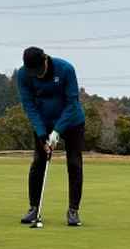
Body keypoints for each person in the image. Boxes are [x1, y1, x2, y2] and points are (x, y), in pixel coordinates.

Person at [16, 47, 86, 226]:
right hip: (44, 121)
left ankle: (73, 211)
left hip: (72, 121)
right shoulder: (23, 75)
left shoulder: (66, 69)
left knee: (74, 163)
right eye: (33, 72)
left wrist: (57, 131)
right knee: (39, 162)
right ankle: (34, 208)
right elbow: (29, 105)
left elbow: (72, 103)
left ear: (45, 59)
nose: (37, 75)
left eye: (39, 70)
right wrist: (41, 133)